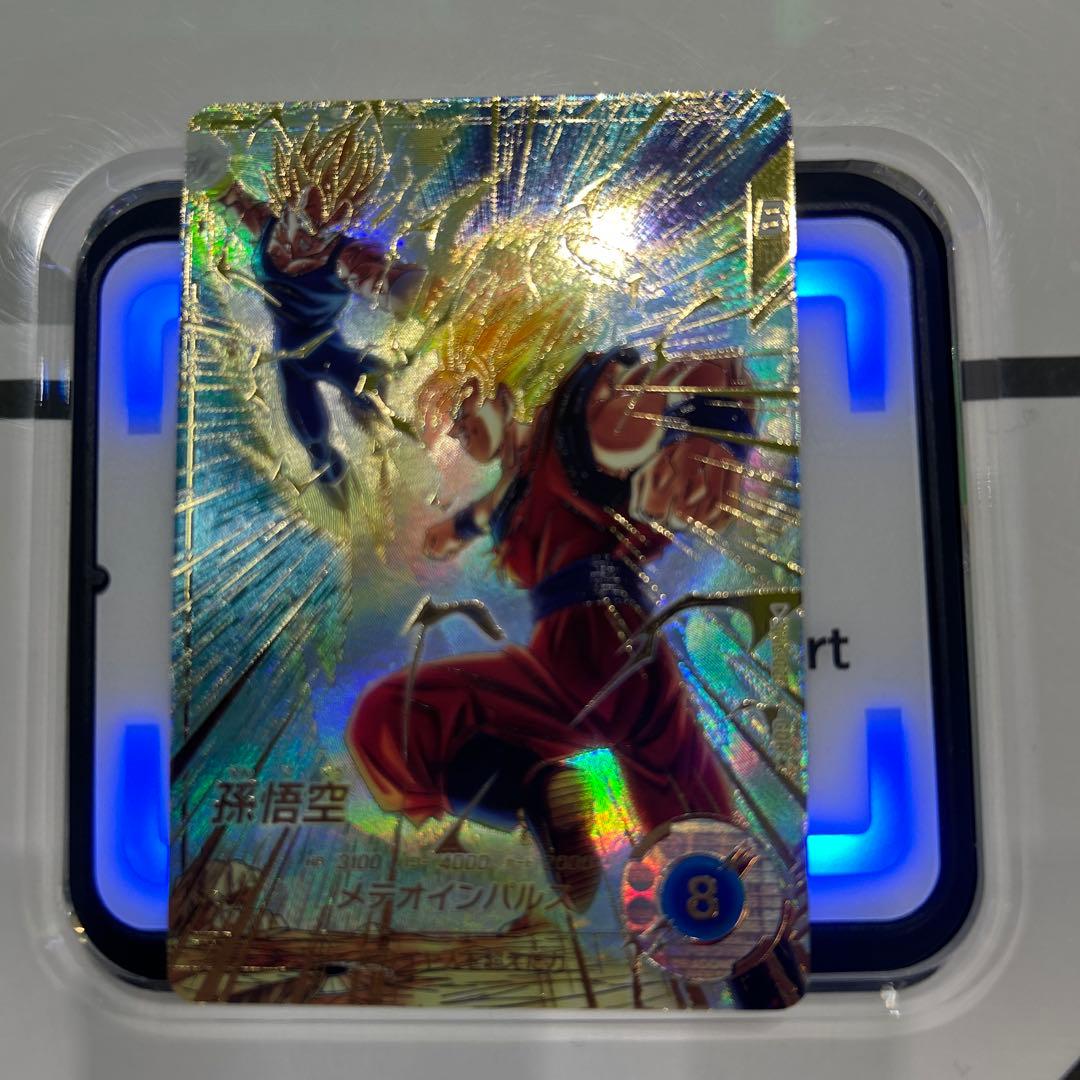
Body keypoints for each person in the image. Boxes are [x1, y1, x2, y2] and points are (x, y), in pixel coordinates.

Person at [346, 343, 756, 912]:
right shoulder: (520, 480)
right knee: (694, 823)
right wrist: (448, 531)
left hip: (595, 640)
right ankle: (539, 792)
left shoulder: (577, 415)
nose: (461, 430)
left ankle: (536, 790)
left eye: (465, 409)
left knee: (395, 719)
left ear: (499, 392)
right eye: (454, 428)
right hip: (597, 654)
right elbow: (485, 511)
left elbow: (692, 382)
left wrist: (714, 434)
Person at [193, 123, 427, 485]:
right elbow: (225, 190)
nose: (305, 240)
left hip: (328, 347)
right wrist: (197, 157)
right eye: (303, 220)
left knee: (372, 389)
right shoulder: (265, 228)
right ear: (290, 197)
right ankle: (330, 464)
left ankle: (401, 447)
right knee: (311, 434)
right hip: (290, 355)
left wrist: (416, 291)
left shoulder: (345, 255)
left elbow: (384, 281)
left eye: (323, 228)